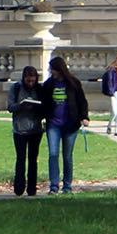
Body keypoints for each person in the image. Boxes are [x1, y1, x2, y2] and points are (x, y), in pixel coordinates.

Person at [42, 54, 91, 194]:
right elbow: (44, 102)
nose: (52, 72)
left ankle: (67, 185)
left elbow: (82, 101)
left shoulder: (73, 83)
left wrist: (84, 117)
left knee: (67, 156)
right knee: (53, 154)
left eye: (53, 69)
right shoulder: (49, 84)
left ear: (59, 69)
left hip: (70, 124)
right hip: (53, 124)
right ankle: (54, 185)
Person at [6, 66, 48, 197]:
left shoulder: (40, 89)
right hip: (20, 129)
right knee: (20, 158)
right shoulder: (16, 88)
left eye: (33, 80)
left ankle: (31, 188)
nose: (30, 83)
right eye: (28, 80)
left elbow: (45, 108)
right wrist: (21, 105)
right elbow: (10, 107)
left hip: (35, 129)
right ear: (24, 78)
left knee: (33, 159)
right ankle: (19, 187)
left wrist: (37, 107)